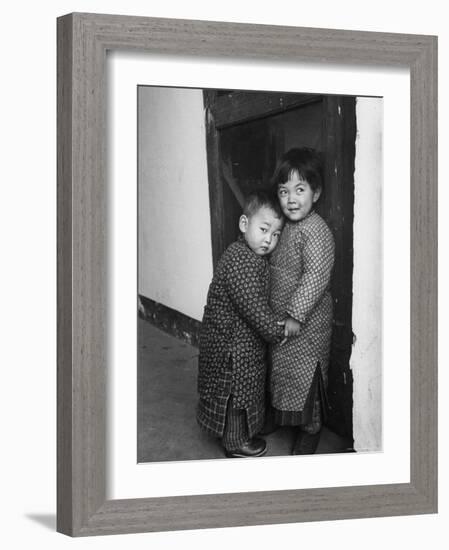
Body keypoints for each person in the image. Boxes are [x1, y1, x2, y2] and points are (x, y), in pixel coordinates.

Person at [197, 190, 286, 458]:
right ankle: (235, 443)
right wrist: (274, 330)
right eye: (264, 229)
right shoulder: (240, 261)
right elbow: (253, 306)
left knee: (248, 388)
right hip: (230, 346)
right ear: (244, 224)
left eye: (276, 234)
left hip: (239, 339)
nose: (269, 240)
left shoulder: (251, 257)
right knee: (236, 392)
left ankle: (248, 428)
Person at [267, 147, 335, 455]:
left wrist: (295, 315)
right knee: (282, 377)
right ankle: (284, 418)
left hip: (307, 328)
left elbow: (316, 277)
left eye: (300, 189)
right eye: (284, 191)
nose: (291, 199)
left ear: (315, 192)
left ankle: (310, 431)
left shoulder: (317, 232)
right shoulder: (285, 226)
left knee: (307, 384)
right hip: (283, 324)